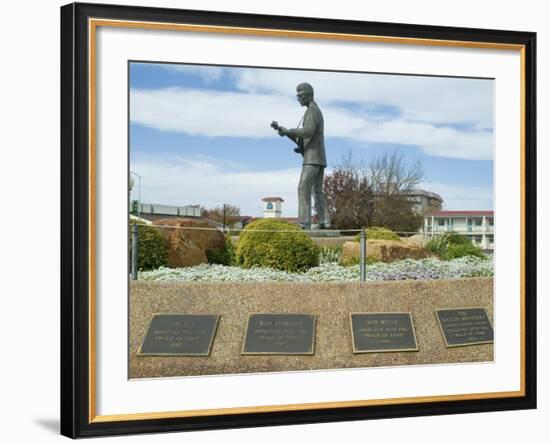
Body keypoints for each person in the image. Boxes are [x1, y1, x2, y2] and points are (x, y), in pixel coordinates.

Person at [274, 83, 330, 230]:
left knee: (303, 188)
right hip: (318, 158)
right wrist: (286, 133)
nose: (297, 98)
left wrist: (290, 130)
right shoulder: (313, 111)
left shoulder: (312, 111)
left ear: (308, 95)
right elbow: (303, 140)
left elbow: (308, 132)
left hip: (312, 159)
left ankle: (304, 223)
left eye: (300, 95)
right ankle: (325, 221)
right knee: (316, 191)